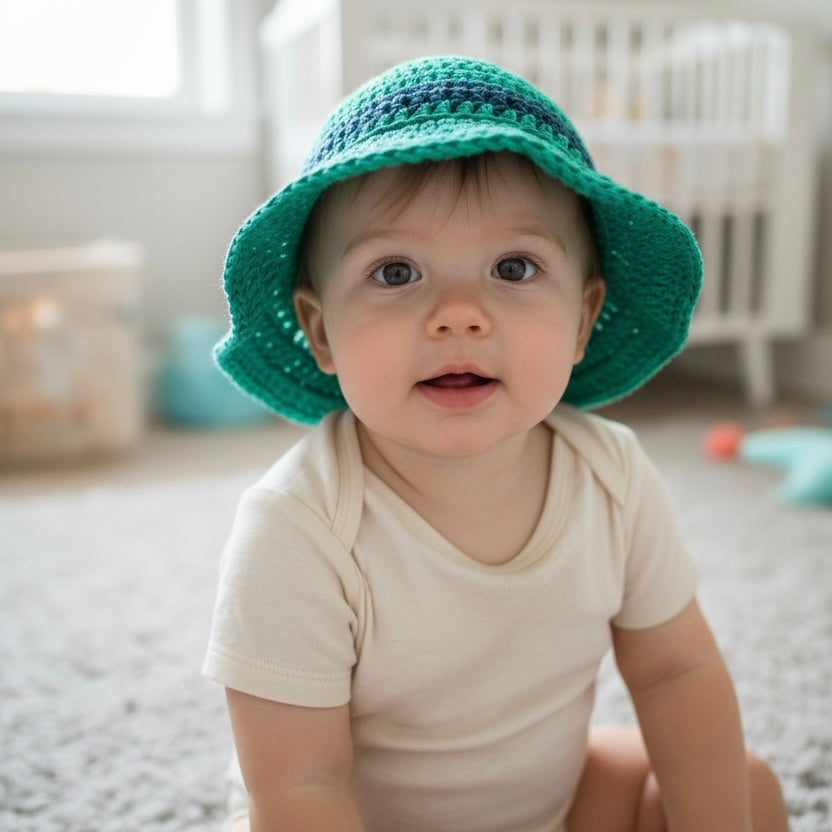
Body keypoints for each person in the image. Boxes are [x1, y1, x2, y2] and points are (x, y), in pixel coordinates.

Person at [203, 56, 789, 832]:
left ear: (582, 320)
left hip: (553, 804)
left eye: (514, 267)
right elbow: (298, 785)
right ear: (320, 332)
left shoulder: (610, 475)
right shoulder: (298, 526)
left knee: (744, 789)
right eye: (395, 271)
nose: (459, 314)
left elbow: (677, 670)